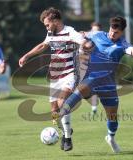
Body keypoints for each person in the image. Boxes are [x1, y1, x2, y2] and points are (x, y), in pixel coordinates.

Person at [53, 16, 133, 153]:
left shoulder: (123, 45)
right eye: (111, 30)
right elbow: (80, 34)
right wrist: (74, 39)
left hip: (108, 85)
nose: (112, 34)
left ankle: (110, 137)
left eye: (116, 32)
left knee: (113, 118)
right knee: (71, 100)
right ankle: (64, 129)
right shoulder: (97, 35)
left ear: (121, 32)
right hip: (91, 79)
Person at [18, 7, 85, 151]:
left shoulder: (70, 32)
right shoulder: (51, 33)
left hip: (70, 74)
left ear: (55, 20)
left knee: (62, 103)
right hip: (55, 77)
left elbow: (83, 41)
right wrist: (26, 56)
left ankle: (67, 138)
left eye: (48, 24)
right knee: (54, 113)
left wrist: (85, 43)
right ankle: (65, 131)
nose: (47, 27)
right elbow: (43, 45)